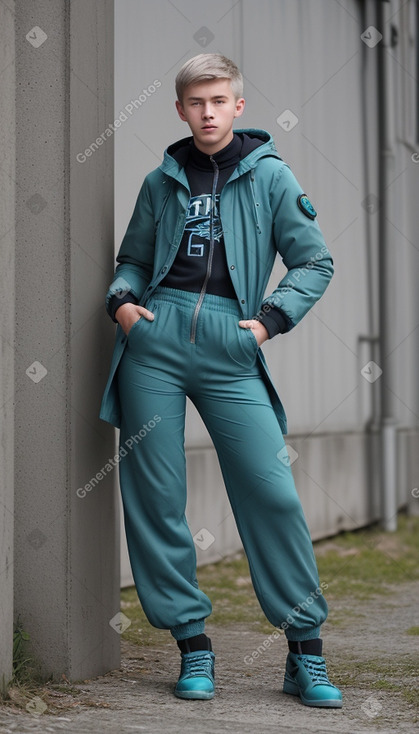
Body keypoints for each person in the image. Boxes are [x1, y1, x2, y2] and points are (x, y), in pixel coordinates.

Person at [100, 53, 342, 708]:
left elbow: (313, 263)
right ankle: (191, 644)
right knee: (157, 491)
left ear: (237, 106)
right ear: (180, 109)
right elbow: (133, 259)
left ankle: (304, 652)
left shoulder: (269, 177)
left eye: (219, 100)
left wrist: (267, 322)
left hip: (231, 345)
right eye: (195, 102)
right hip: (154, 340)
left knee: (272, 492)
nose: (207, 112)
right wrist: (122, 305)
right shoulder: (161, 179)